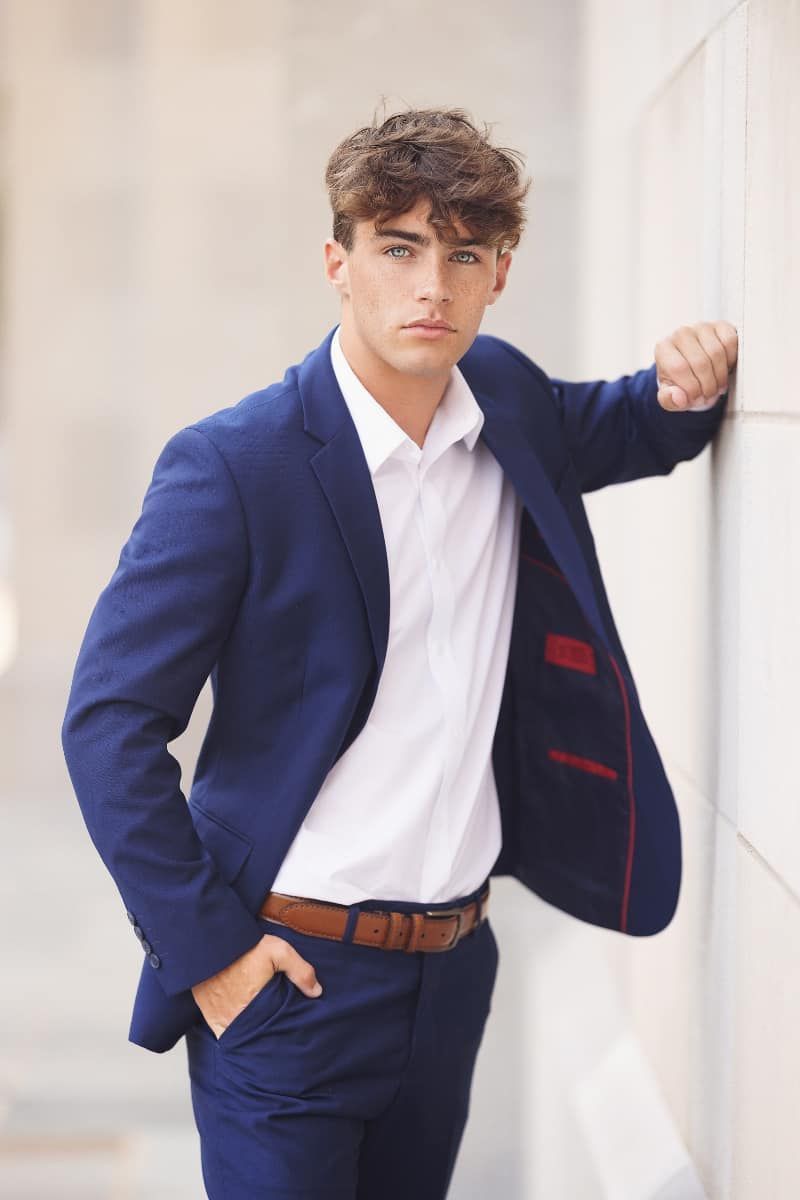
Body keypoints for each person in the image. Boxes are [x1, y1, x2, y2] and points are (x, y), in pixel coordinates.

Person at [61, 106, 738, 1199]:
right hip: (289, 982)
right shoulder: (236, 466)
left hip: (451, 974)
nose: (431, 285)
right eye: (398, 248)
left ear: (496, 275)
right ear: (338, 262)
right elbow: (105, 727)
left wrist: (684, 378)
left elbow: (625, 422)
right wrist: (214, 958)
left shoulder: (506, 402)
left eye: (461, 254)